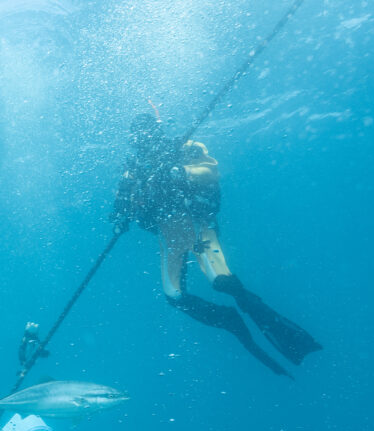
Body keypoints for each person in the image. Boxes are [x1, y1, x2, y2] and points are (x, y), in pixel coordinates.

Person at [111, 112, 321, 376]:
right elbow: (124, 199)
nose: (144, 139)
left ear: (157, 131)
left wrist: (179, 172)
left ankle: (288, 337)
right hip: (169, 234)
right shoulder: (133, 170)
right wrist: (120, 216)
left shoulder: (185, 148)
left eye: (148, 132)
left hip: (198, 224)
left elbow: (210, 172)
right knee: (174, 296)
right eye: (139, 135)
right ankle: (232, 323)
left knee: (222, 281)